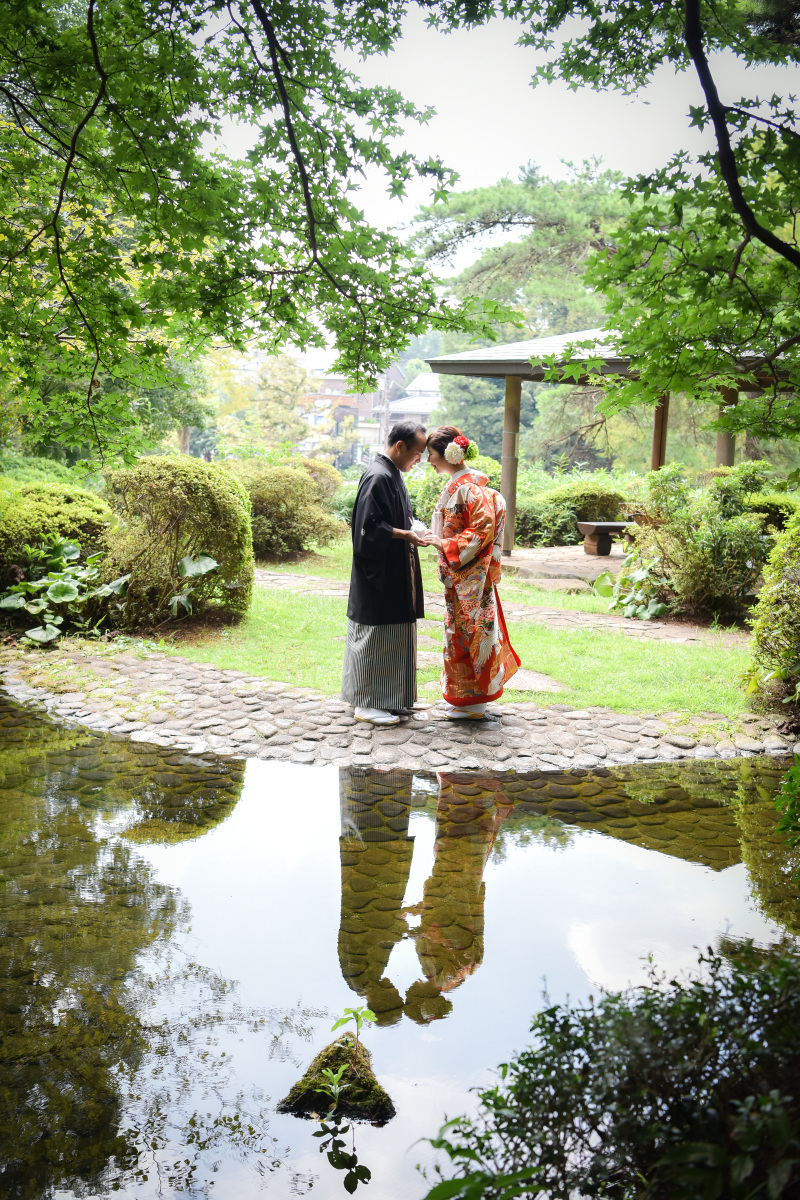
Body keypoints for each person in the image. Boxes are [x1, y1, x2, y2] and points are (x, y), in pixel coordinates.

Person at [424, 425, 520, 718]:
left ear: (449, 454)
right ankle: (467, 700)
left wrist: (445, 543)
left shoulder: (469, 487)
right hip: (461, 574)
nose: (429, 460)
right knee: (461, 632)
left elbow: (482, 529)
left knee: (469, 633)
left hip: (469, 577)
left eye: (431, 454)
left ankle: (473, 702)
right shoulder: (463, 485)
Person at [341, 420, 428, 725]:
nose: (420, 459)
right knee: (376, 636)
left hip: (393, 571)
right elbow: (367, 530)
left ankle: (389, 699)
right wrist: (407, 535)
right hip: (377, 574)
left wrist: (413, 529)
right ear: (400, 446)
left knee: (392, 636)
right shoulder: (378, 476)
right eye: (417, 453)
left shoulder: (391, 473)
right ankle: (366, 703)